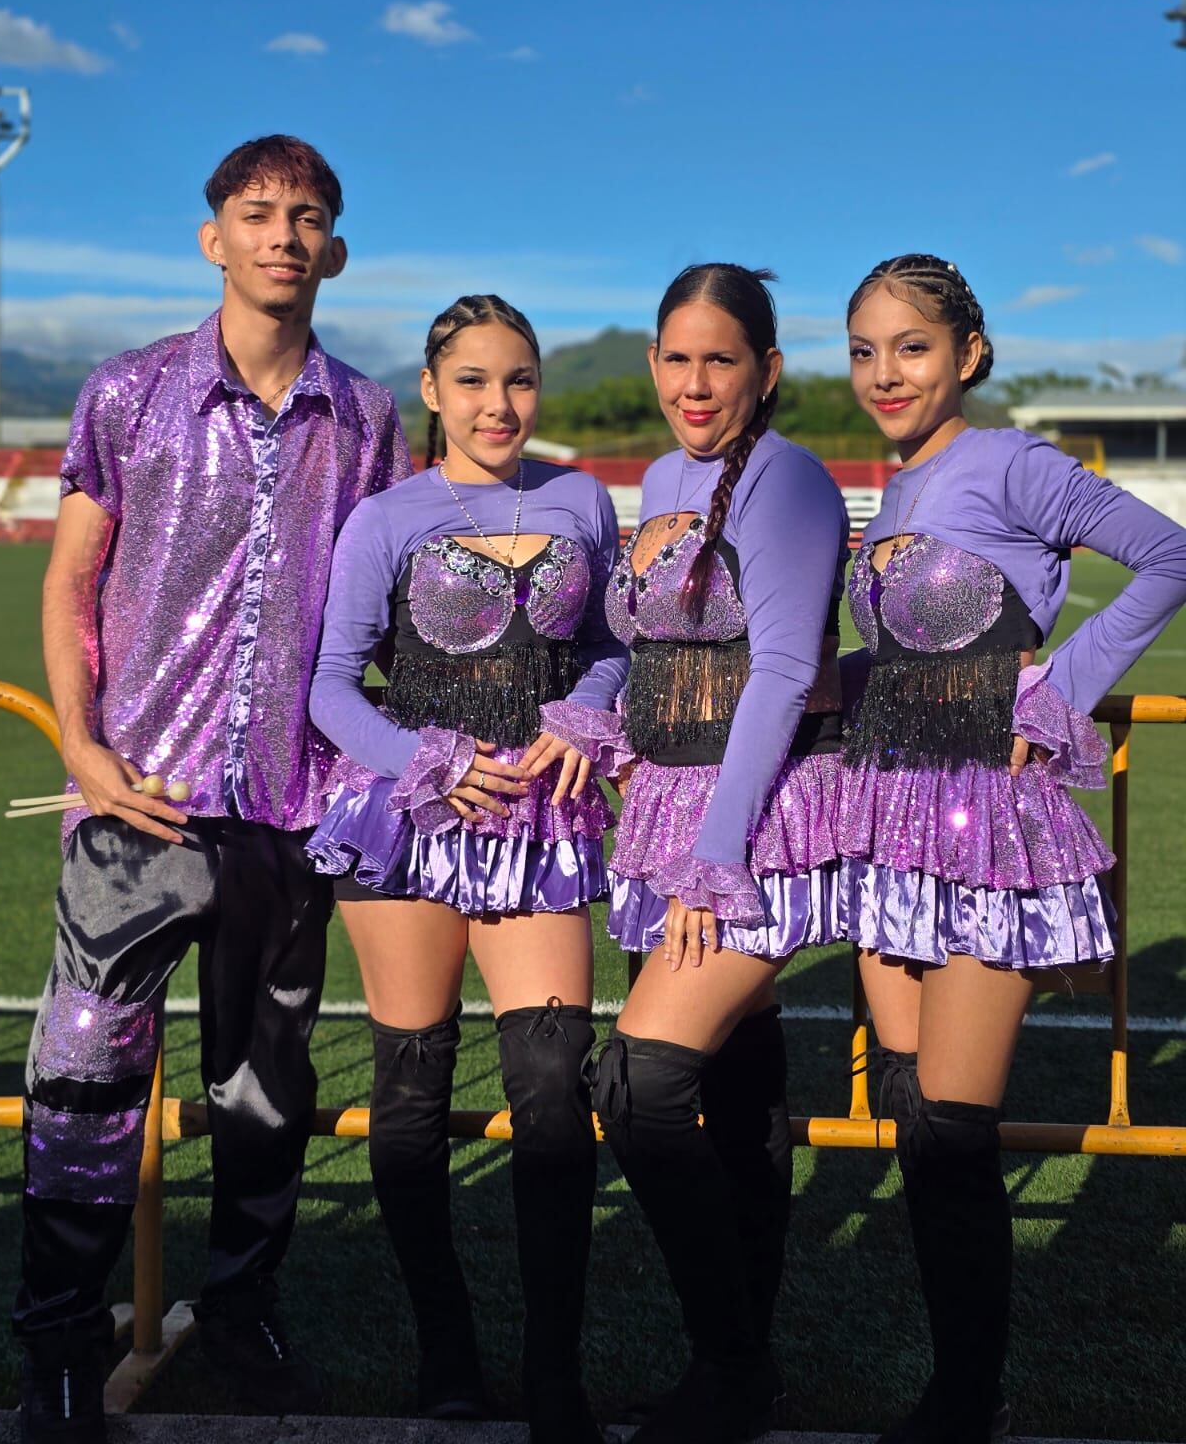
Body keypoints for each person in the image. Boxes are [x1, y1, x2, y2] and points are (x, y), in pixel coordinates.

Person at [15, 135, 411, 1443]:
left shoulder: (372, 419)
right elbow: (71, 580)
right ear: (214, 238)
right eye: (258, 213)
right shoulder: (127, 395)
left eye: (307, 217)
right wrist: (80, 748)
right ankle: (61, 1340)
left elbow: (389, 607)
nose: (283, 235)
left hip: (291, 814)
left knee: (267, 1085)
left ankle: (240, 1308)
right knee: (84, 1071)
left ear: (335, 248)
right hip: (140, 804)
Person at [837, 253, 1186, 1444]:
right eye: (865, 350)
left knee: (950, 1126)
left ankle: (964, 1400)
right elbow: (911, 657)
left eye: (913, 347)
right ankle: (946, 1375)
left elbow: (1170, 558)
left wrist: (1057, 695)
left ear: (969, 355)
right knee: (909, 1113)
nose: (887, 373)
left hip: (981, 827)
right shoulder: (901, 488)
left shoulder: (1015, 462)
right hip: (883, 818)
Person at [306, 293, 627, 1444]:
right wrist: (428, 762)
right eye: (477, 381)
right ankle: (447, 1355)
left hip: (539, 822)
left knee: (549, 1093)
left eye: (523, 379)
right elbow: (332, 684)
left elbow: (609, 649)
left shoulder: (583, 497)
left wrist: (584, 716)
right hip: (410, 821)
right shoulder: (385, 517)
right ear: (432, 391)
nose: (502, 404)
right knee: (411, 1096)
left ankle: (553, 1377)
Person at [590, 264, 849, 1444]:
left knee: (641, 1081)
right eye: (677, 358)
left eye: (722, 360)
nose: (696, 384)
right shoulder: (658, 476)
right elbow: (645, 647)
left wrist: (713, 853)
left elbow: (788, 671)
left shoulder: (787, 478)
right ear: (653, 363)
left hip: (752, 823)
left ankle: (735, 1362)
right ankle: (740, 1372)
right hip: (672, 811)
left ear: (768, 370)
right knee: (737, 1095)